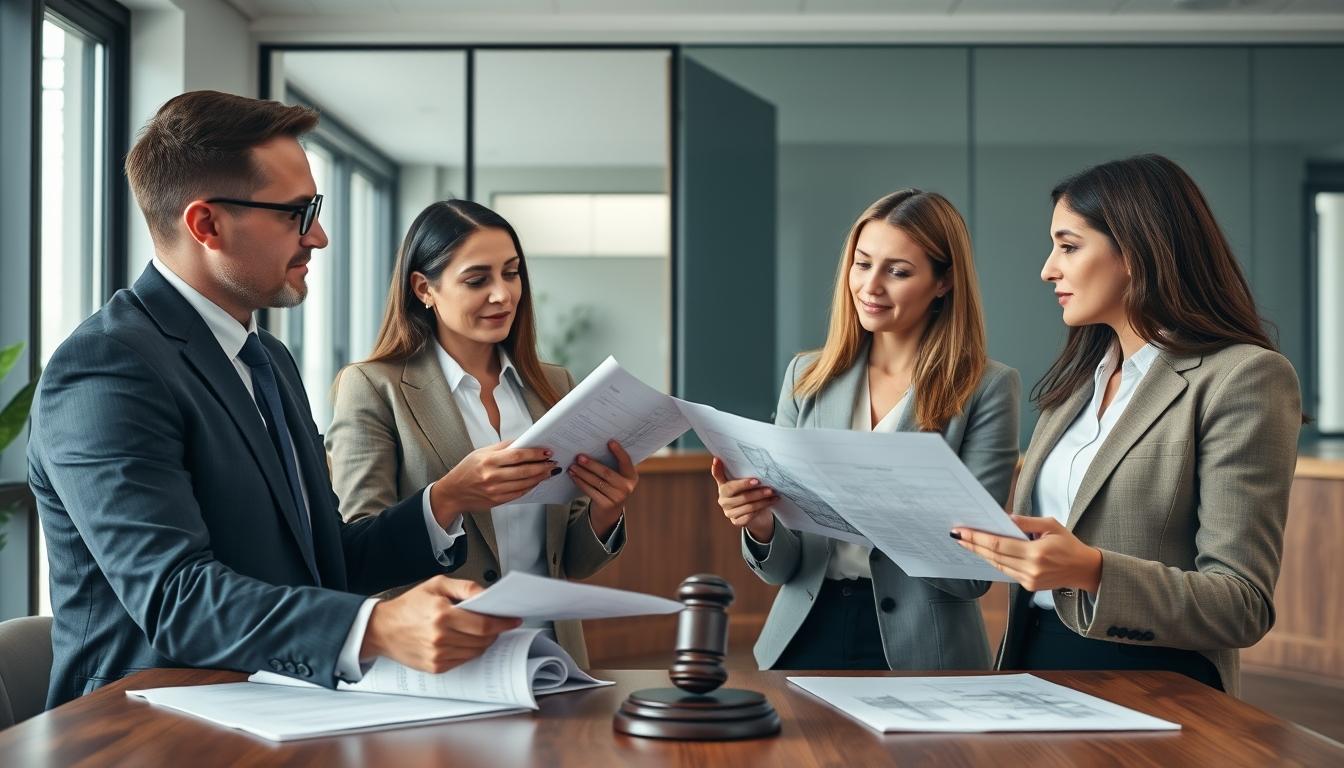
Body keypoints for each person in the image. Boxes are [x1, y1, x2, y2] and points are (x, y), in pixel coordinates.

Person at [27, 91, 518, 708]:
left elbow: (321, 561)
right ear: (206, 224)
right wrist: (376, 627)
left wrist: (443, 502)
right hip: (144, 727)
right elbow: (176, 597)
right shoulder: (107, 368)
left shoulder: (268, 359)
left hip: (281, 706)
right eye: (296, 213)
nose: (319, 236)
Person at [953, 154, 1302, 697]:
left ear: (1137, 251)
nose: (1048, 268)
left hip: (1152, 684)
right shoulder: (1075, 385)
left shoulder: (1244, 377)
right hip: (1031, 661)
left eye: (1068, 246)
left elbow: (1242, 604)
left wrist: (1091, 571)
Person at [714, 189, 1020, 670]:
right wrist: (759, 524)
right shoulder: (806, 377)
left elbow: (973, 576)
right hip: (803, 634)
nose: (870, 286)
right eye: (862, 264)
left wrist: (882, 509)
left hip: (925, 648)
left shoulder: (988, 388)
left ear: (944, 282)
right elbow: (783, 569)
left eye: (898, 271)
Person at [325, 200, 637, 667]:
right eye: (477, 280)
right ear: (424, 289)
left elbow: (566, 561)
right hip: (444, 664)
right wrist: (449, 496)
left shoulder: (554, 385)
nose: (503, 294)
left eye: (511, 274)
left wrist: (605, 511)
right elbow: (361, 550)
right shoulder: (373, 387)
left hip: (552, 658)